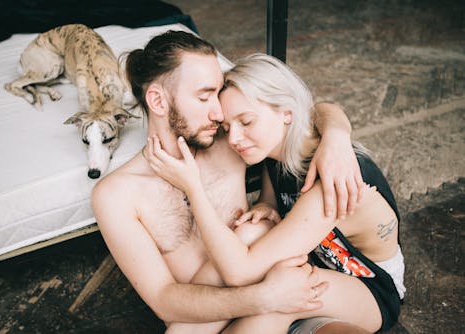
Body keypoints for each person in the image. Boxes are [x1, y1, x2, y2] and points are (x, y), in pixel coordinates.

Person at [92, 30, 364, 333]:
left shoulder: (230, 140)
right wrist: (264, 297)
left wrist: (337, 136)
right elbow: (163, 299)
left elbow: (304, 110)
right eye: (205, 96)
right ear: (158, 100)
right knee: (248, 233)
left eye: (218, 94)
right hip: (210, 322)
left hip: (291, 294)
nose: (219, 111)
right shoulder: (116, 195)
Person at [147, 53, 406, 333]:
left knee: (275, 306)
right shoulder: (276, 152)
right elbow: (320, 111)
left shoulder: (329, 180)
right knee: (251, 236)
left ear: (286, 112)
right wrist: (264, 205)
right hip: (314, 260)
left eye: (246, 122)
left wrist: (193, 188)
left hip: (368, 283)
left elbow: (240, 272)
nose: (233, 138)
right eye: (226, 127)